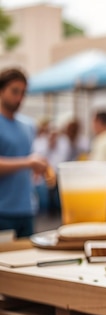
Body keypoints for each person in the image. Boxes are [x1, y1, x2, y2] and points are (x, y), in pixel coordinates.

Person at [0, 67, 48, 237]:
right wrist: (28, 162)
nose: (19, 98)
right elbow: (25, 161)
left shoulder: (28, 125)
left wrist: (37, 167)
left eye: (23, 93)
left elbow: (27, 160)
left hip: (26, 209)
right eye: (14, 91)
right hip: (2, 211)